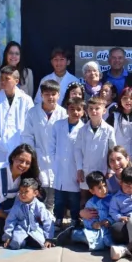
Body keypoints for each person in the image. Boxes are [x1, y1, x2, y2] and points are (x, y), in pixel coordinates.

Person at [25, 79, 68, 214]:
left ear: (59, 95)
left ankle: (52, 220)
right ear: (41, 95)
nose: (50, 97)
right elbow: (27, 136)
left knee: (54, 194)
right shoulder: (33, 113)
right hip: (38, 157)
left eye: (53, 94)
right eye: (47, 94)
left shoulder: (63, 113)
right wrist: (31, 156)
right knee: (40, 190)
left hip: (58, 159)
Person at [0, 65, 34, 165]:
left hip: (21, 145)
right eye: (2, 79)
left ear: (16, 81)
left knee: (20, 177)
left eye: (7, 79)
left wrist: (25, 143)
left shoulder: (26, 100)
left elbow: (31, 124)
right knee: (3, 177)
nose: (3, 82)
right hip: (0, 148)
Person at [49, 98, 85, 229]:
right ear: (66, 110)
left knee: (74, 198)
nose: (75, 112)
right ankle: (58, 218)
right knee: (59, 198)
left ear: (83, 112)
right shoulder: (58, 125)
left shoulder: (83, 128)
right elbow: (51, 144)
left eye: (78, 109)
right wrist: (54, 161)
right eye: (72, 109)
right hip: (59, 167)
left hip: (75, 167)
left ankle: (75, 219)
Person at [75, 96, 117, 201]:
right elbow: (78, 150)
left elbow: (112, 151)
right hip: (86, 170)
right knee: (85, 196)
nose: (93, 111)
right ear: (87, 110)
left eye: (97, 108)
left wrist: (110, 170)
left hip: (102, 169)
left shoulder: (109, 130)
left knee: (102, 195)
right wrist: (79, 168)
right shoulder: (82, 130)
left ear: (104, 111)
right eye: (91, 108)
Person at [64, 171, 116, 254]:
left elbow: (115, 212)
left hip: (109, 229)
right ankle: (72, 234)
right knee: (89, 236)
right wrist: (93, 224)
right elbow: (87, 218)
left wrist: (109, 221)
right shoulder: (91, 203)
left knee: (108, 241)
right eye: (99, 188)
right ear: (92, 191)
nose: (104, 189)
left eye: (105, 185)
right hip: (95, 230)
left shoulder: (113, 199)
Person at [2, 177, 54, 250]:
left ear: (35, 193)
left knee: (41, 244)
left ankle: (31, 239)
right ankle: (23, 240)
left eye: (26, 191)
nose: (22, 194)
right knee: (15, 244)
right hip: (20, 228)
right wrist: (8, 236)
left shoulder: (39, 206)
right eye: (20, 191)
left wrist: (49, 238)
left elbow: (47, 220)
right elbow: (10, 221)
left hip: (35, 228)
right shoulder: (16, 206)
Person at [105, 87, 132, 158]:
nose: (128, 101)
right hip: (118, 156)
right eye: (125, 98)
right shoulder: (114, 116)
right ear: (120, 100)